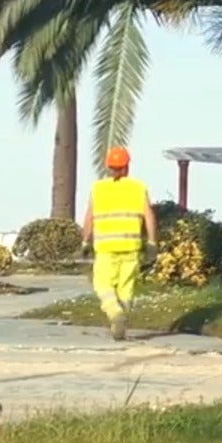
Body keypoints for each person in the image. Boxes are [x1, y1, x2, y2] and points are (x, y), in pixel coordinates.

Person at [82, 145, 158, 341]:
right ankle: (121, 321)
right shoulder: (138, 187)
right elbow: (148, 215)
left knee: (102, 285)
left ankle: (115, 314)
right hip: (130, 248)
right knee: (126, 288)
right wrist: (151, 242)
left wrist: (85, 241)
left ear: (109, 167)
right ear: (127, 166)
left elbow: (89, 217)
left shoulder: (98, 188)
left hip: (106, 249)